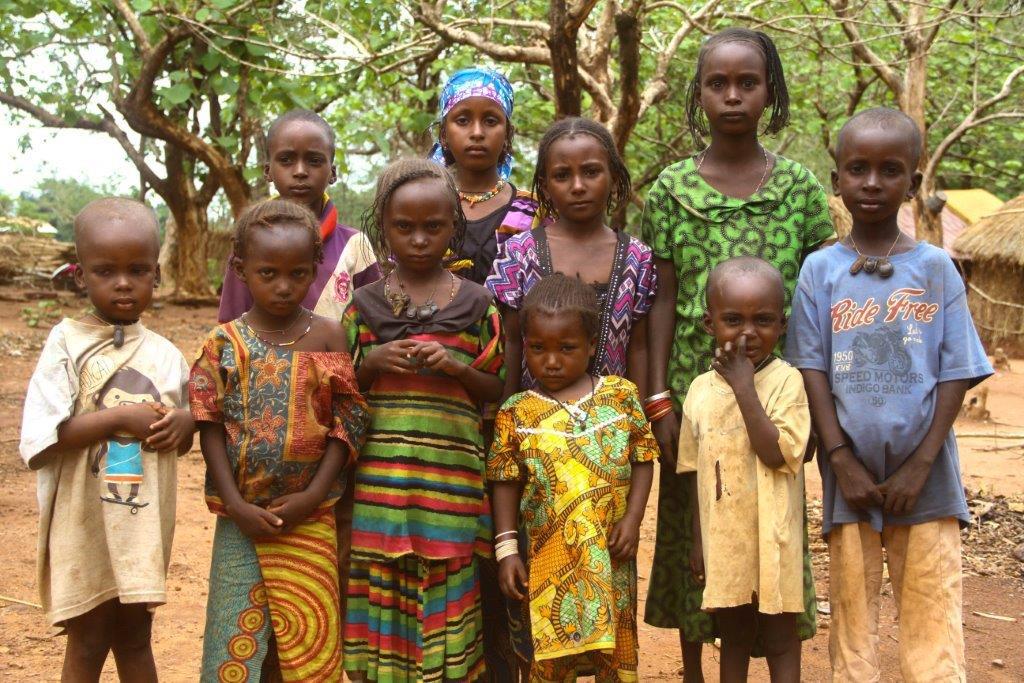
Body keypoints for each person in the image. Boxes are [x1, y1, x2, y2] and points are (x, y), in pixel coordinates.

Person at [641, 28, 834, 679]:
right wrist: (660, 398)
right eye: (717, 83)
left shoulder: (802, 190)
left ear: (769, 92)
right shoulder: (670, 190)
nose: (731, 95)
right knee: (695, 530)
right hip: (696, 399)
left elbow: (811, 304)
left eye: (747, 82)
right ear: (696, 95)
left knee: (770, 524)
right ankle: (696, 666)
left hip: (775, 395)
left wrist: (807, 400)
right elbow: (660, 301)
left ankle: (774, 649)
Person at [786, 107, 993, 682]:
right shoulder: (819, 271)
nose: (872, 183)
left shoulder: (936, 269)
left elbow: (956, 370)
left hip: (926, 475)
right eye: (857, 169)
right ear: (837, 181)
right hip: (848, 477)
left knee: (931, 608)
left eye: (889, 170)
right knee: (852, 617)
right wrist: (839, 459)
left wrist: (922, 462)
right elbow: (812, 369)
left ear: (914, 181)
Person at [191, 199, 369, 681]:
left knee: (309, 646)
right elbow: (207, 422)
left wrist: (313, 495)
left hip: (310, 518)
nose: (284, 286)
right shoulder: (223, 343)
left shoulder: (329, 335)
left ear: (315, 269)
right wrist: (234, 503)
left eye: (297, 273)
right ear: (241, 269)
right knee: (234, 644)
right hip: (240, 520)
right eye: (268, 273)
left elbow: (347, 419)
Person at [342, 158, 505, 681]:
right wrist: (370, 365)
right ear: (383, 228)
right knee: (382, 605)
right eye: (403, 227)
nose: (417, 239)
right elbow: (340, 393)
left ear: (454, 228)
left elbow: (497, 388)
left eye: (433, 227)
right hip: (381, 492)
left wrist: (457, 368)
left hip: (449, 491)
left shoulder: (480, 306)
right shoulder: (362, 308)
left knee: (448, 605)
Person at [19, 198, 194, 682]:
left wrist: (183, 426)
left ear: (156, 275)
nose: (123, 283)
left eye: (137, 270)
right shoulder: (64, 344)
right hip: (84, 525)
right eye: (105, 271)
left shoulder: (167, 356)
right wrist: (122, 417)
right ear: (80, 277)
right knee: (89, 638)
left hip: (141, 527)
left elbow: (178, 438)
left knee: (136, 638)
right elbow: (46, 439)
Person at [488, 273, 658, 681]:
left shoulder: (619, 396)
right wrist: (507, 549)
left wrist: (633, 520)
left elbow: (643, 456)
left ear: (592, 346)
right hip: (547, 564)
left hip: (609, 557)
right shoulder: (517, 413)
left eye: (566, 348)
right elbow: (504, 479)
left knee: (613, 658)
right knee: (549, 658)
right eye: (538, 349)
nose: (551, 361)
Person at [677, 257, 809, 682]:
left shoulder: (788, 382)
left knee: (779, 637)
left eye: (763, 320)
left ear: (783, 325)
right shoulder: (699, 390)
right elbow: (694, 470)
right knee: (732, 635)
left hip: (774, 537)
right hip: (724, 539)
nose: (748, 332)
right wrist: (699, 540)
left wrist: (743, 385)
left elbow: (775, 453)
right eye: (733, 319)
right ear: (708, 323)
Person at [487, 116, 656, 400]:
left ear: (613, 176)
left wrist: (638, 420)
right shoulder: (519, 253)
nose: (577, 186)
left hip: (612, 427)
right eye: (562, 175)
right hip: (535, 426)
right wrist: (505, 417)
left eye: (591, 172)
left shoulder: (637, 258)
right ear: (546, 185)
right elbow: (513, 343)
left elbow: (638, 348)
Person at [218, 108, 380, 323]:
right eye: (286, 160)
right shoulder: (249, 242)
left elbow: (375, 323)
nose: (300, 171)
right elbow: (231, 328)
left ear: (332, 173)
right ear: (268, 171)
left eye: (314, 161)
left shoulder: (355, 245)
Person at [429, 67, 548, 285]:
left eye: (491, 121)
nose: (477, 132)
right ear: (444, 135)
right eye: (463, 120)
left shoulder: (534, 211)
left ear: (507, 135)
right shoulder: (423, 206)